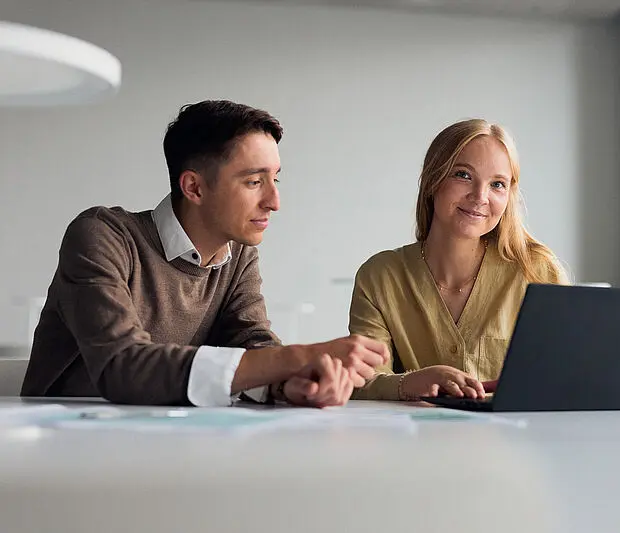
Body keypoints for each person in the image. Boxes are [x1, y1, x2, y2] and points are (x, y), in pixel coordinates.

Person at [21, 100, 388, 408]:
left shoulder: (239, 254)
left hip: (174, 439)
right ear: (194, 187)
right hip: (65, 446)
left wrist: (288, 384)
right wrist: (295, 358)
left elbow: (251, 343)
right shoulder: (102, 235)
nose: (274, 202)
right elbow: (123, 366)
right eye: (253, 181)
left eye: (275, 179)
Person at [348, 118, 568, 401]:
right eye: (463, 175)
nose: (480, 196)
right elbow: (362, 382)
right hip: (415, 444)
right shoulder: (380, 276)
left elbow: (564, 380)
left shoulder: (538, 272)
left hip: (514, 442)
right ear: (432, 180)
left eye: (497, 184)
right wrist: (411, 383)